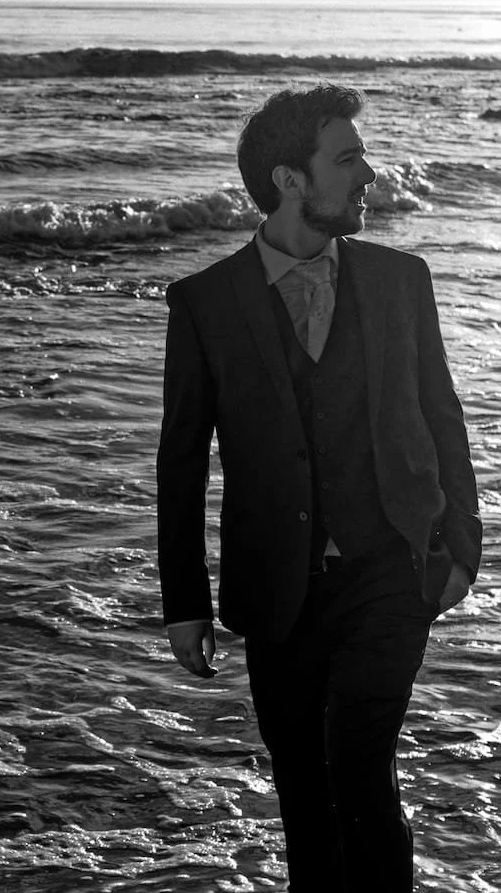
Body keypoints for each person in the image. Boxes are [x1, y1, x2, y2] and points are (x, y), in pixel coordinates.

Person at [156, 86, 481, 892]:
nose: (368, 174)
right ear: (290, 179)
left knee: (359, 765)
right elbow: (182, 458)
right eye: (347, 158)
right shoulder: (204, 303)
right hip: (278, 587)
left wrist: (462, 548)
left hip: (392, 567)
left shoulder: (401, 280)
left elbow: (443, 415)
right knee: (302, 786)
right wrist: (186, 602)